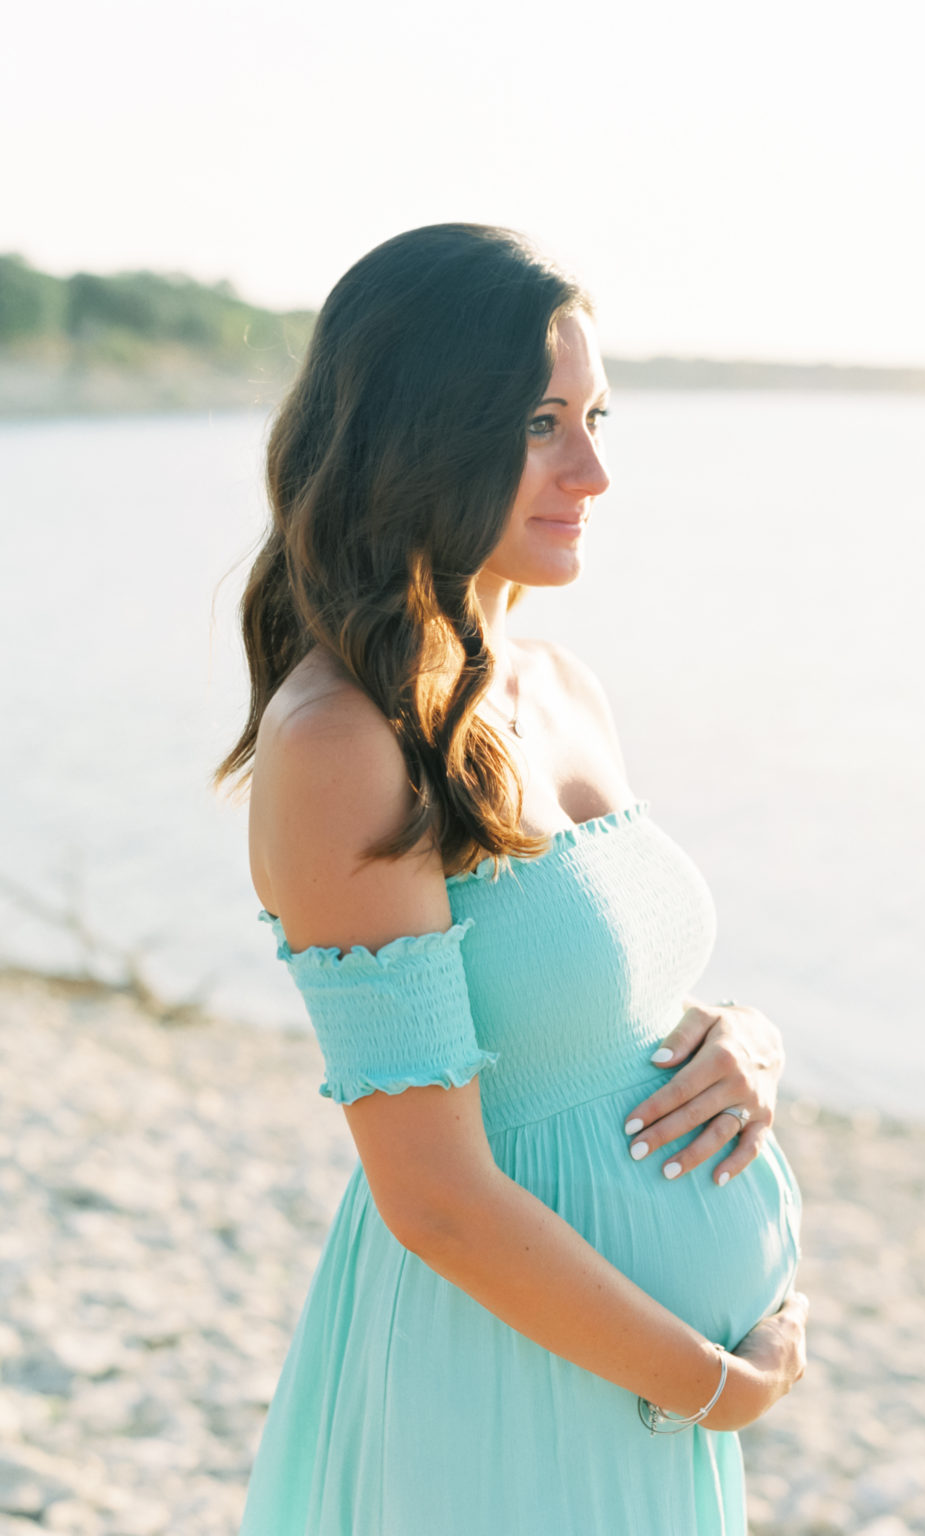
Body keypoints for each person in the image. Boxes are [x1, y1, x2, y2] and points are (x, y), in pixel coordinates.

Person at [215, 223, 809, 1535]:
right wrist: (712, 1387)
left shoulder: (561, 686)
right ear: (419, 430)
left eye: (595, 415)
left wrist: (740, 1039)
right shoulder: (344, 745)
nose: (593, 470)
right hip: (501, 1398)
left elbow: (597, 994)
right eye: (542, 425)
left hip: (624, 1381)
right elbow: (432, 1198)